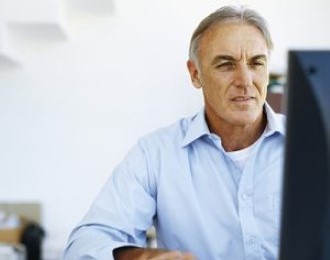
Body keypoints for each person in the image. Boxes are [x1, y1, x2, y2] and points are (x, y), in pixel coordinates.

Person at [64, 5, 285, 260]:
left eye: (257, 63)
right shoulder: (155, 154)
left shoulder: (316, 145)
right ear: (195, 74)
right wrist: (140, 258)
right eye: (226, 65)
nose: (246, 80)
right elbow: (84, 245)